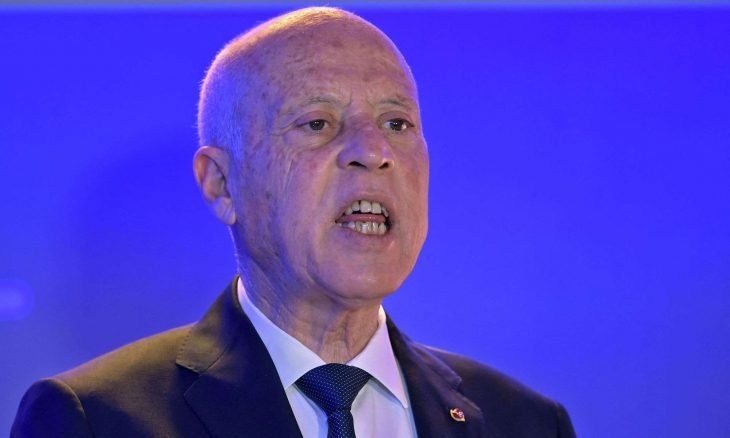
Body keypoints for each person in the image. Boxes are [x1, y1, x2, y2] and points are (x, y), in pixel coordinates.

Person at [11, 7, 576, 438]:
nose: (373, 151)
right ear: (221, 184)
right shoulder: (95, 420)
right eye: (317, 123)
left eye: (397, 123)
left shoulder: (525, 423)